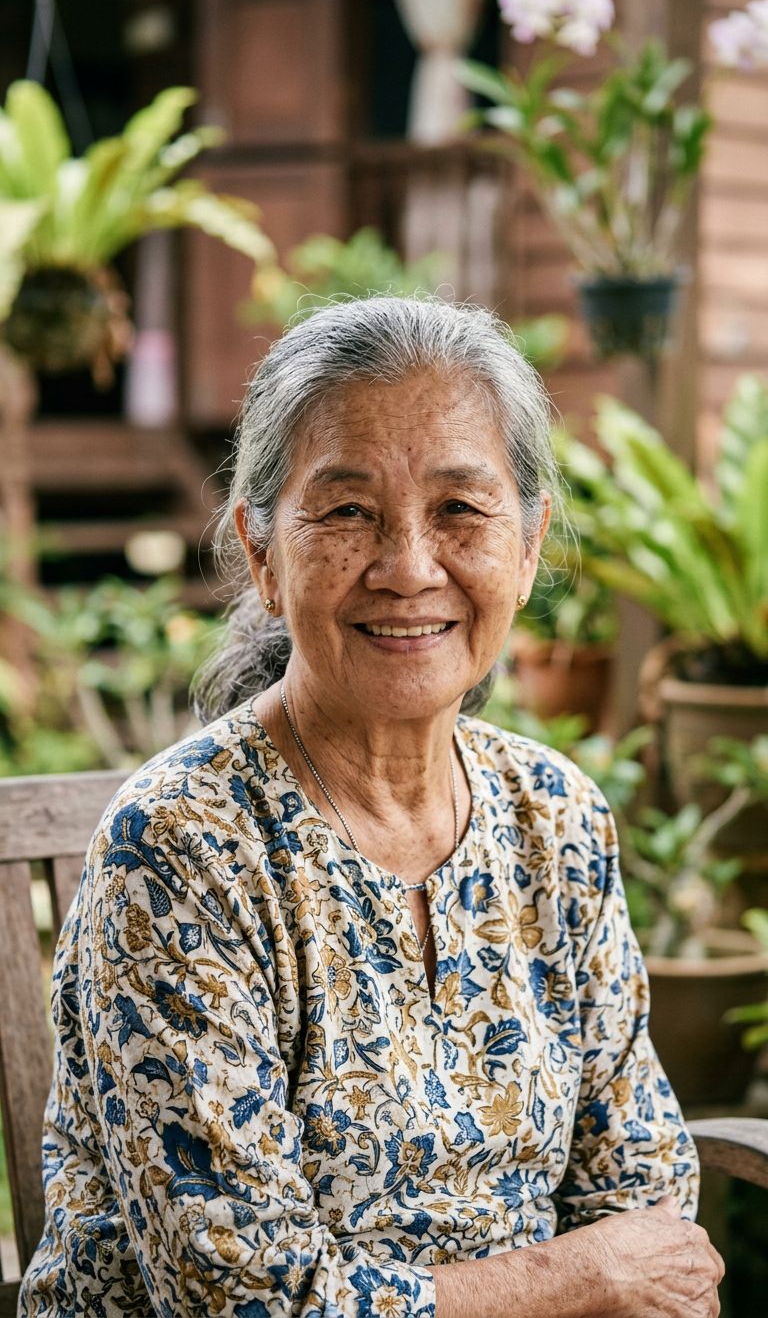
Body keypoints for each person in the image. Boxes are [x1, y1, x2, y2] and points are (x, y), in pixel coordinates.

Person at [20, 297, 724, 1318]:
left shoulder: (556, 817)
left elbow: (643, 1194)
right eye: (347, 511)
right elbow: (242, 1297)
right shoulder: (181, 846)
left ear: (527, 546)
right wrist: (577, 1276)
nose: (407, 565)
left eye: (461, 509)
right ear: (261, 551)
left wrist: (621, 1269)